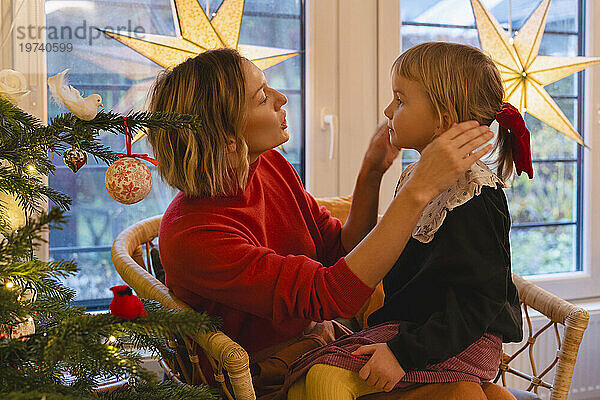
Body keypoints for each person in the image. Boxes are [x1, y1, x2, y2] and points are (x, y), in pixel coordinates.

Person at [146, 47, 493, 398]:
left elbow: (338, 250)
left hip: (320, 344)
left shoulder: (269, 166)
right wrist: (417, 191)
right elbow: (335, 295)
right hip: (258, 379)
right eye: (262, 97)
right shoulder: (194, 235)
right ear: (228, 141)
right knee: (461, 392)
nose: (282, 98)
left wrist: (372, 172)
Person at [285, 42, 526, 400]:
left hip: (458, 340)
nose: (388, 110)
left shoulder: (475, 194)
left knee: (324, 380)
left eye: (400, 100)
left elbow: (478, 303)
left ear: (443, 117)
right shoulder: (416, 178)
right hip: (415, 329)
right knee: (304, 384)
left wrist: (402, 353)